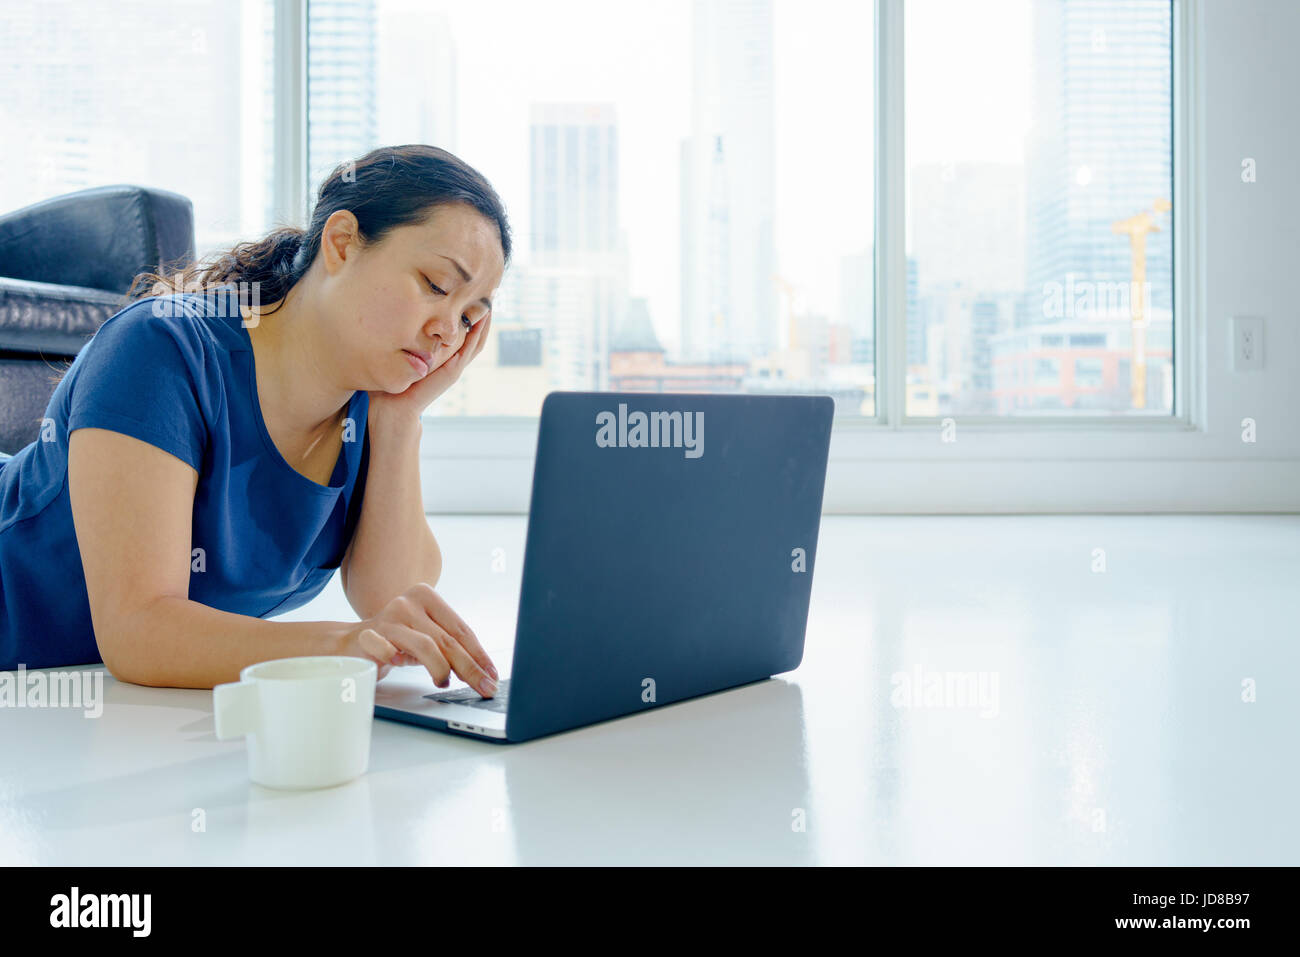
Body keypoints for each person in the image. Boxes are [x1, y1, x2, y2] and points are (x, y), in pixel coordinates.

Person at [0, 144, 509, 696]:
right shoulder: (161, 347)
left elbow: (391, 598)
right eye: (435, 286)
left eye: (468, 317)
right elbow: (137, 629)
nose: (447, 331)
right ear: (341, 243)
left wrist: (401, 418)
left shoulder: (369, 402)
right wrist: (345, 645)